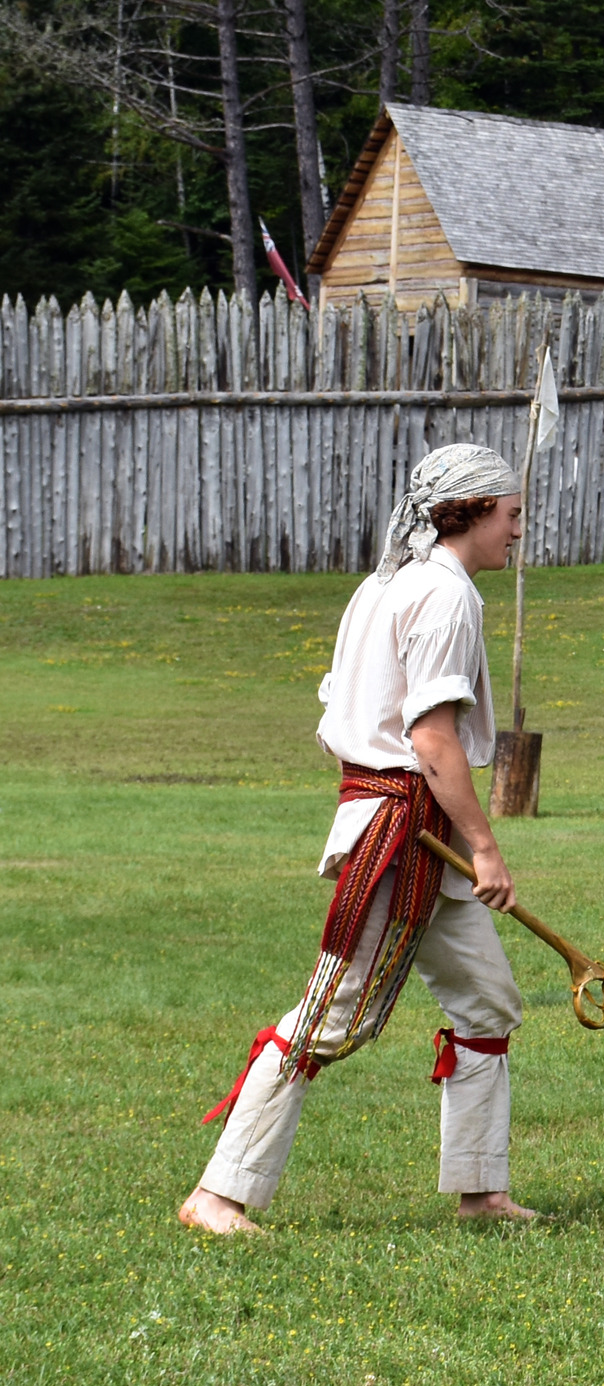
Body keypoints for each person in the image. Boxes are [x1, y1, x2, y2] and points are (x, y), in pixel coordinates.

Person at [180, 444, 538, 1235]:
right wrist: (484, 845)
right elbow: (434, 737)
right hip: (405, 833)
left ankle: (481, 1191)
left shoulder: (387, 587)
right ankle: (218, 1196)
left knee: (487, 999)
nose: (519, 529)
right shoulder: (443, 598)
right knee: (330, 1013)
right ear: (473, 510)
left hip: (412, 824)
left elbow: (338, 708)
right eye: (511, 514)